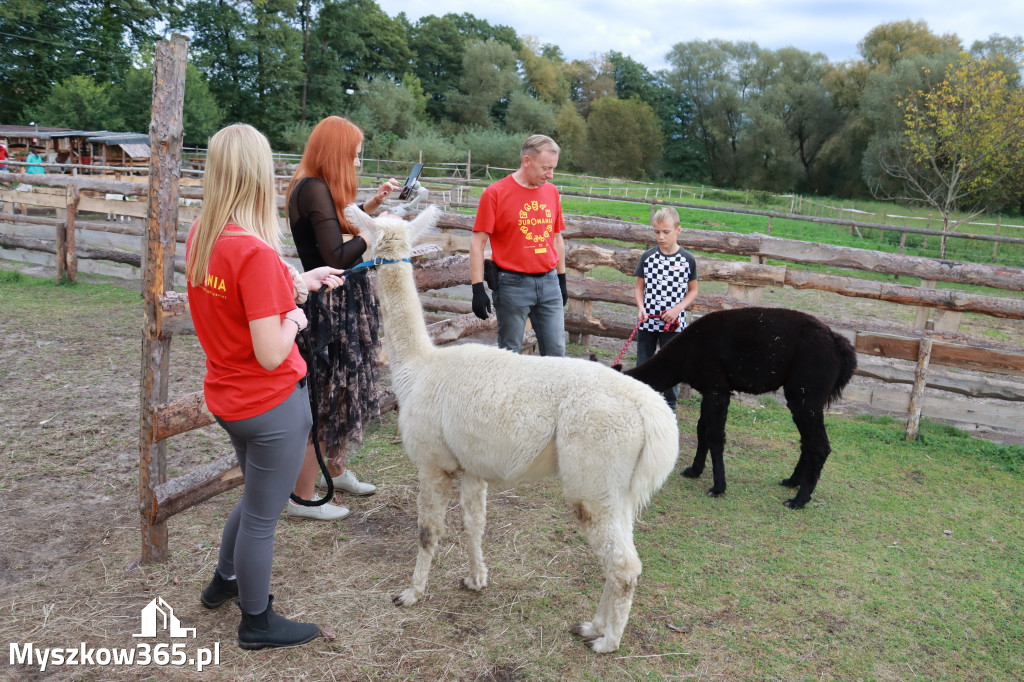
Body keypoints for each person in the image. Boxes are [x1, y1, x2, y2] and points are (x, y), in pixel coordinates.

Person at [186, 123, 345, 650]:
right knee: (262, 515)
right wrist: (298, 317)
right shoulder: (253, 252)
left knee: (256, 496)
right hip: (270, 401)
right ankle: (256, 621)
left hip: (229, 396)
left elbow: (248, 297)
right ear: (257, 173)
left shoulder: (204, 236)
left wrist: (301, 280)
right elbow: (272, 349)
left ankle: (223, 583)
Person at [285, 115, 401, 521]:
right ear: (335, 154)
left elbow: (337, 228)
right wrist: (375, 233)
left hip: (343, 302)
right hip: (328, 306)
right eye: (352, 155)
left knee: (343, 391)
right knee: (325, 397)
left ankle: (334, 469)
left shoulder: (319, 188)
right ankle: (303, 496)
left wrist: (371, 209)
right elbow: (335, 254)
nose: (355, 162)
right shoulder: (312, 188)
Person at [469, 134, 568, 356]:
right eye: (545, 168)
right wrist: (477, 288)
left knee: (557, 353)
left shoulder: (551, 192)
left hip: (550, 282)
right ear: (526, 161)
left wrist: (561, 279)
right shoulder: (495, 193)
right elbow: (478, 242)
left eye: (553, 168)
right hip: (512, 284)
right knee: (510, 354)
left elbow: (556, 237)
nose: (550, 175)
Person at [633, 206, 699, 409]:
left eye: (666, 232)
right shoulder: (648, 257)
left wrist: (678, 309)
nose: (660, 237)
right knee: (643, 365)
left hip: (674, 325)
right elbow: (638, 288)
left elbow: (693, 291)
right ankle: (642, 404)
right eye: (656, 232)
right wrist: (641, 307)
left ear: (678, 230)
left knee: (672, 365)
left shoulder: (687, 260)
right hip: (648, 324)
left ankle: (670, 408)